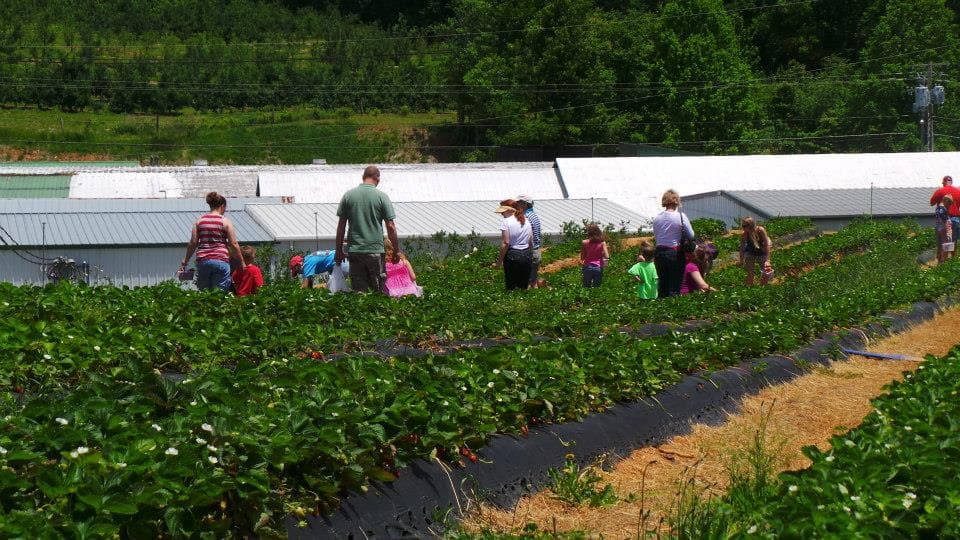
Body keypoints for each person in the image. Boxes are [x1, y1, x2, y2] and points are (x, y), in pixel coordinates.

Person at [334, 165, 400, 293]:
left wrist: (339, 250)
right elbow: (390, 226)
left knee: (359, 292)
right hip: (375, 250)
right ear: (378, 179)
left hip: (355, 250)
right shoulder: (382, 197)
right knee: (377, 292)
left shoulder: (348, 196)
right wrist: (396, 250)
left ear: (363, 177)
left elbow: (341, 226)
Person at [180, 192, 244, 291]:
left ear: (210, 205)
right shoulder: (226, 221)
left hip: (203, 261)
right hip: (221, 260)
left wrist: (185, 261)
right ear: (222, 206)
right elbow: (233, 244)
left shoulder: (199, 221)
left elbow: (193, 243)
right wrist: (241, 262)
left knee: (204, 293)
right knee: (219, 294)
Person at [652, 189, 695, 297]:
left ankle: (661, 309)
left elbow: (657, 237)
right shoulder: (680, 216)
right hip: (674, 253)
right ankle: (673, 309)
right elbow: (691, 235)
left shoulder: (657, 218)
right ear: (677, 201)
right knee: (674, 286)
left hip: (659, 253)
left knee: (663, 285)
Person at [493, 199, 533, 290]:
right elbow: (530, 242)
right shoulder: (526, 221)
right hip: (526, 255)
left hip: (513, 255)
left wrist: (499, 262)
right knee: (523, 287)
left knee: (511, 287)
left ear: (509, 210)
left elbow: (505, 243)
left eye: (503, 211)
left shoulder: (506, 222)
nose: (501, 214)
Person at [515, 195, 542, 288]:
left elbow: (525, 236)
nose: (517, 205)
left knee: (526, 283)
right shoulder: (534, 215)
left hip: (529, 251)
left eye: (519, 203)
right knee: (532, 281)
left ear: (525, 205)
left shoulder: (526, 217)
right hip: (536, 251)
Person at [930, 175, 960, 255]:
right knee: (953, 240)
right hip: (955, 218)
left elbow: (932, 203)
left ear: (944, 182)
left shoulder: (940, 191)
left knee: (942, 240)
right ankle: (953, 260)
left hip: (943, 219)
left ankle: (942, 260)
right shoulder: (958, 191)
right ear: (951, 182)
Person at [739, 217, 773, 286]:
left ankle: (762, 288)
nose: (743, 228)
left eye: (744, 226)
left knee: (766, 272)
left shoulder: (760, 230)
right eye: (742, 226)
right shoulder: (744, 234)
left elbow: (767, 245)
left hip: (762, 252)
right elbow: (742, 249)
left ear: (750, 225)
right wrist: (741, 261)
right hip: (751, 252)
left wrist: (768, 260)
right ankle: (749, 288)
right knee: (750, 273)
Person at [580, 223, 610, 288]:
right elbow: (607, 256)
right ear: (598, 231)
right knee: (596, 290)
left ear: (588, 232)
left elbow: (582, 257)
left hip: (587, 267)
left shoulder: (584, 242)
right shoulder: (602, 243)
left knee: (586, 288)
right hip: (598, 268)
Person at [936, 194, 954, 263]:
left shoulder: (938, 208)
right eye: (949, 203)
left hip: (940, 228)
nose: (949, 205)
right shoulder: (942, 209)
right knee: (946, 245)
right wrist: (947, 230)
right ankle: (944, 261)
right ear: (945, 201)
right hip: (944, 229)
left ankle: (940, 260)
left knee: (941, 245)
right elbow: (944, 221)